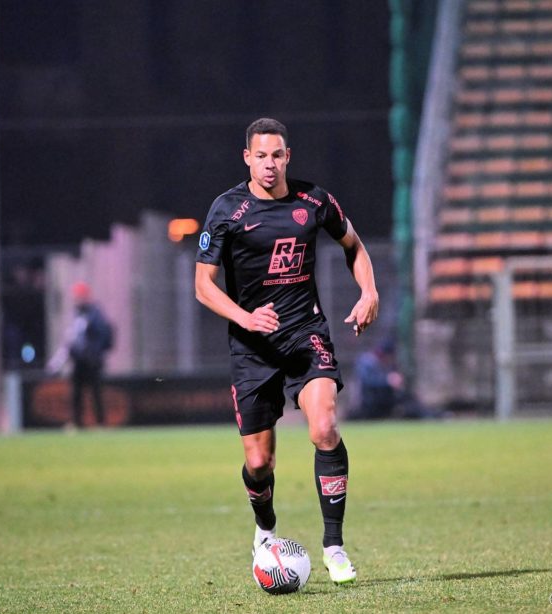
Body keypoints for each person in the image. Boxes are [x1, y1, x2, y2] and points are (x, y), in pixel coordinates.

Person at [195, 118, 378, 585]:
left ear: (288, 156)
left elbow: (354, 246)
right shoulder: (227, 210)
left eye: (277, 155)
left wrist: (369, 291)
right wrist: (245, 318)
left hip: (305, 334)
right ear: (247, 158)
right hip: (252, 348)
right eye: (261, 156)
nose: (269, 164)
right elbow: (203, 286)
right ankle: (265, 530)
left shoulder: (313, 200)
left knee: (324, 427)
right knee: (259, 463)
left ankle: (334, 546)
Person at [47, 281, 114, 429]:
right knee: (76, 392)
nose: (76, 299)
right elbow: (73, 338)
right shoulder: (77, 314)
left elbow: (101, 335)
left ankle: (100, 422)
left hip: (92, 360)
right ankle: (76, 422)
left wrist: (94, 353)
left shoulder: (95, 314)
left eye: (79, 296)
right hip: (79, 359)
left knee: (96, 392)